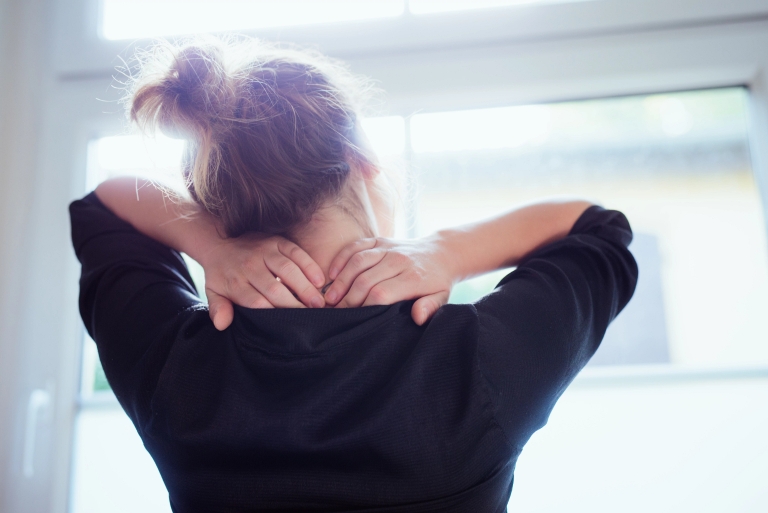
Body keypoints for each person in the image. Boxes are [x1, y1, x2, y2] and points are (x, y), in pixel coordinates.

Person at [70, 38, 637, 513]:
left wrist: (211, 243)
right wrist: (446, 250)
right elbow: (599, 230)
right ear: (361, 158)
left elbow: (102, 206)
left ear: (221, 202)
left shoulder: (177, 371)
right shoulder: (476, 365)